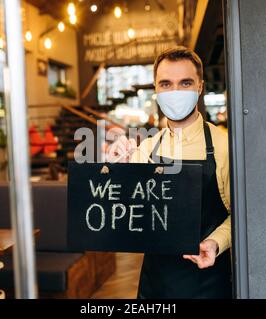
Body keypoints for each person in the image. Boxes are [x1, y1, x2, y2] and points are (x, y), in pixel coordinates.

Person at [107, 46, 232, 299]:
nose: (174, 91)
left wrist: (216, 242)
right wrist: (113, 172)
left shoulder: (224, 146)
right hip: (155, 284)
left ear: (200, 87)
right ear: (156, 90)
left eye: (185, 83)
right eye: (166, 84)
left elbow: (244, 217)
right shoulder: (146, 148)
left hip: (207, 282)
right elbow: (126, 218)